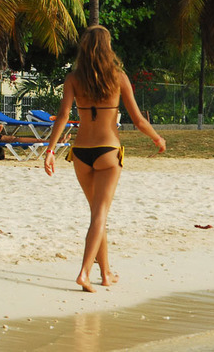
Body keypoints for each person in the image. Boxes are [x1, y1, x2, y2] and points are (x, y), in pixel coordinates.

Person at [44, 25, 166, 292]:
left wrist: (50, 150)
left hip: (81, 154)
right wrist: (157, 139)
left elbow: (63, 117)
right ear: (107, 47)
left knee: (97, 215)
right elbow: (138, 120)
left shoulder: (73, 78)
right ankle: (84, 273)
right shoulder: (118, 77)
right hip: (109, 152)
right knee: (99, 214)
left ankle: (106, 273)